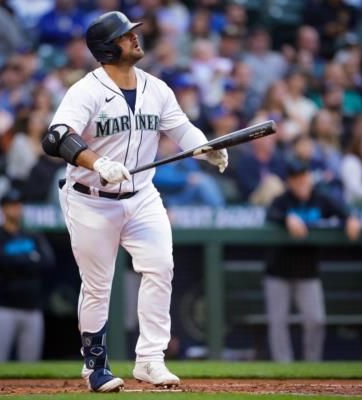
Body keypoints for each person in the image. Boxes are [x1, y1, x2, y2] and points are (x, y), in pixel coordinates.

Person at [41, 11, 228, 392]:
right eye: (127, 35)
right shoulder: (86, 90)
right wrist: (98, 162)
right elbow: (56, 136)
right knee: (98, 285)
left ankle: (151, 361)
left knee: (160, 267)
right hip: (91, 199)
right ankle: (95, 367)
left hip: (142, 195)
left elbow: (181, 128)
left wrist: (203, 147)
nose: (135, 38)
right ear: (109, 46)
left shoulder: (156, 88)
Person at [265, 158, 361, 362]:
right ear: (289, 181)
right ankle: (283, 369)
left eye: (303, 177)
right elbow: (271, 214)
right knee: (278, 323)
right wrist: (287, 218)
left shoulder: (321, 198)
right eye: (295, 178)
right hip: (278, 271)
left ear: (309, 177)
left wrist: (351, 218)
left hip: (308, 271)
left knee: (316, 320)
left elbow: (343, 210)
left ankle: (312, 365)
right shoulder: (282, 200)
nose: (300, 182)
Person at [0, 188, 55, 361]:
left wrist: (19, 260)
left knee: (31, 362)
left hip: (32, 308)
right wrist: (31, 259)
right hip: (2, 307)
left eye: (18, 205)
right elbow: (2, 261)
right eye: (11, 205)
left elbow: (47, 261)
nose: (15, 209)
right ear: (2, 209)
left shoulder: (32, 234)